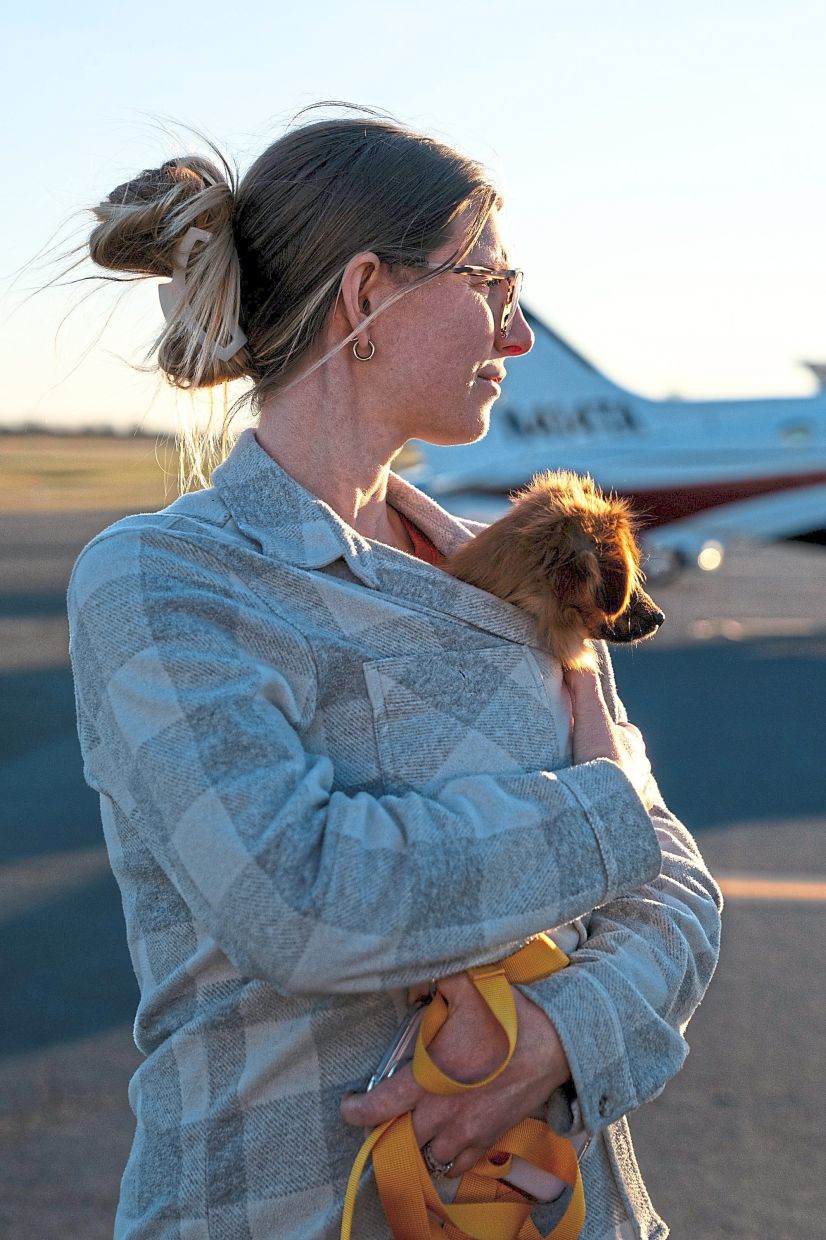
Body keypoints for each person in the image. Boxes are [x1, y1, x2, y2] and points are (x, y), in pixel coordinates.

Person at [66, 104, 722, 1239]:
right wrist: (611, 802)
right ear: (368, 294)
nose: (518, 334)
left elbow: (678, 890)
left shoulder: (521, 570)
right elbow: (300, 897)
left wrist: (556, 1037)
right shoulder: (165, 579)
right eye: (490, 281)